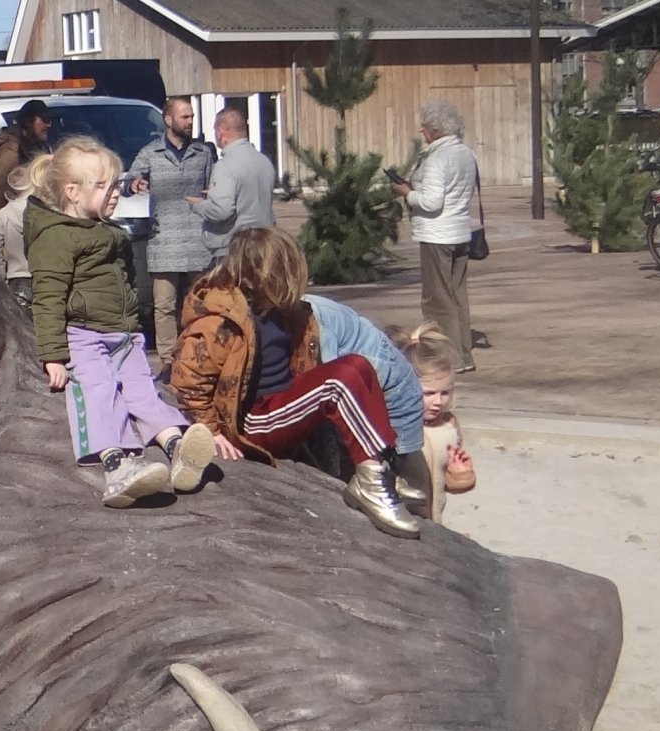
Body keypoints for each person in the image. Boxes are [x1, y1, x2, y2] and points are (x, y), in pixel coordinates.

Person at [168, 228, 423, 538]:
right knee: (337, 382)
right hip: (254, 422)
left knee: (358, 365)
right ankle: (370, 484)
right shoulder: (220, 321)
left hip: (282, 405)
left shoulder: (282, 312)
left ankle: (380, 465)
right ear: (270, 274)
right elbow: (188, 379)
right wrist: (211, 429)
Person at [27, 142, 217, 508]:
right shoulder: (55, 236)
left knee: (142, 391)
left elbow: (127, 282)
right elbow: (48, 296)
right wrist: (52, 355)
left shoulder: (110, 231)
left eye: (115, 185)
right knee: (99, 392)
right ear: (72, 192)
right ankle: (116, 467)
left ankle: (177, 447)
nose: (115, 193)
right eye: (103, 186)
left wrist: (134, 325)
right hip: (83, 335)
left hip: (124, 334)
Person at [300, 293, 430, 516]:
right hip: (381, 395)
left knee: (400, 496)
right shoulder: (307, 313)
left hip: (391, 400)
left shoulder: (313, 321)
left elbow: (337, 382)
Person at [392, 100, 482, 373]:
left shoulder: (437, 158)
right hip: (461, 232)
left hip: (437, 234)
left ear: (436, 129)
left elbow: (431, 202)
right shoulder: (466, 153)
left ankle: (451, 358)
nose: (421, 130)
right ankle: (464, 353)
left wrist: (407, 193)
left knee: (437, 299)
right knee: (457, 296)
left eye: (425, 126)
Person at [127, 97, 217, 353]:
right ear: (168, 120)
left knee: (202, 304)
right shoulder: (150, 152)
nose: (190, 122)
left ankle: (202, 354)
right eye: (184, 117)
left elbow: (214, 186)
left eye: (191, 117)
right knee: (164, 306)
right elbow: (130, 179)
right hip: (164, 241)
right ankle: (168, 359)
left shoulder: (203, 153)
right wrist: (134, 184)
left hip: (198, 242)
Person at [399, 326, 477, 524]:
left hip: (434, 524)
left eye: (445, 393)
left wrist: (459, 474)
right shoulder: (395, 426)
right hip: (401, 521)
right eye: (428, 393)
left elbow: (442, 482)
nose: (438, 402)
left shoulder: (448, 425)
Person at [195, 105, 276, 261]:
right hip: (263, 246)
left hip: (233, 250)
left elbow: (221, 210)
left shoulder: (225, 165)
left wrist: (198, 204)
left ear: (220, 131)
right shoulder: (264, 161)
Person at [0, 99, 55, 213]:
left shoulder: (43, 147)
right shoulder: (11, 152)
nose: (48, 125)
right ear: (27, 121)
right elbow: (4, 195)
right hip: (17, 218)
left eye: (49, 120)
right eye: (44, 120)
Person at [0, 164, 34, 308]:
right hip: (42, 278)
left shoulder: (3, 215)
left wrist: (0, 279)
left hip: (16, 278)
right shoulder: (42, 213)